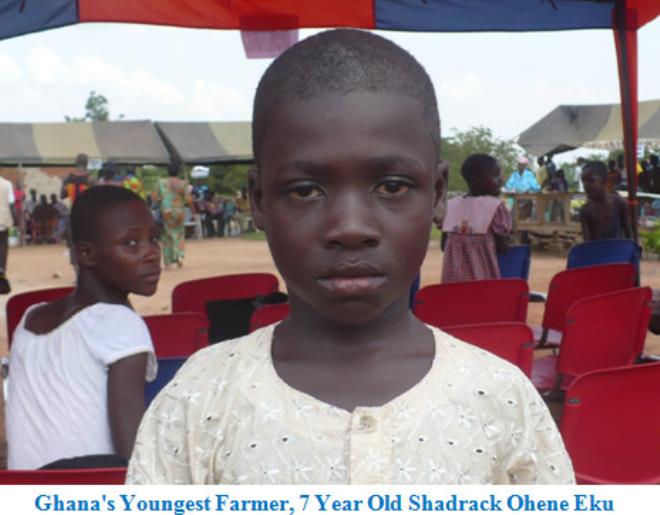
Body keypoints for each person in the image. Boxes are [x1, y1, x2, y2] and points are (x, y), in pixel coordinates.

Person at [127, 29, 573, 485]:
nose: (351, 227)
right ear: (259, 199)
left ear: (438, 194)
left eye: (392, 187)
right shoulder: (197, 401)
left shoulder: (502, 399)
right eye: (305, 191)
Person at [6, 186, 160, 470]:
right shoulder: (121, 323)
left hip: (24, 490)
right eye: (131, 243)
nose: (151, 253)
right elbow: (136, 457)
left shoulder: (29, 319)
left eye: (153, 239)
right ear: (87, 254)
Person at [441, 154, 511, 283]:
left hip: (453, 285)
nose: (501, 180)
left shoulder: (450, 206)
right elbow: (502, 248)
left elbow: (443, 246)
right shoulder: (494, 207)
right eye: (496, 175)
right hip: (483, 283)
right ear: (478, 179)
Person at [579, 160, 632, 241]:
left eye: (590, 180)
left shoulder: (619, 204)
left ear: (604, 180)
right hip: (596, 249)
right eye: (583, 181)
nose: (585, 185)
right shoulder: (586, 210)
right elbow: (587, 243)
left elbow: (629, 237)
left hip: (618, 249)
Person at [156, 162, 193, 268]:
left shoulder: (161, 182)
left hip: (166, 210)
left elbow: (157, 198)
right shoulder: (183, 183)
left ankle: (168, 261)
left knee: (167, 235)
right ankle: (179, 257)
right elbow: (188, 200)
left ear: (168, 171)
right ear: (178, 172)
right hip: (179, 210)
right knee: (179, 233)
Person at [0, 174, 17, 293]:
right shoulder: (7, 184)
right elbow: (11, 204)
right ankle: (1, 272)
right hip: (3, 220)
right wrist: (15, 219)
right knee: (3, 248)